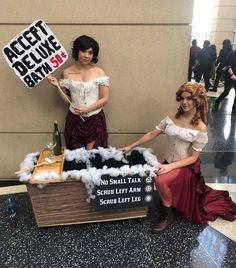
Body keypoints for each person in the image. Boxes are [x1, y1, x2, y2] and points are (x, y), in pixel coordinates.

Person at [120, 82, 236, 233]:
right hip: (169, 161)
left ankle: (168, 217)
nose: (184, 102)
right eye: (182, 98)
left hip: (186, 166)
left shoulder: (200, 127)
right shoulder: (171, 118)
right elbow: (152, 133)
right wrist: (130, 146)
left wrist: (169, 166)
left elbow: (193, 158)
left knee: (160, 179)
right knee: (154, 175)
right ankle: (166, 202)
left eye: (189, 99)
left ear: (197, 101)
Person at [48, 35, 109, 150]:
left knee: (93, 156)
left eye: (90, 52)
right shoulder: (66, 72)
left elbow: (105, 98)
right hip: (74, 120)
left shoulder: (99, 72)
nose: (86, 55)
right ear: (77, 51)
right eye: (83, 51)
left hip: (94, 118)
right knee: (76, 156)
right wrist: (57, 86)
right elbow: (69, 101)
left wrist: (88, 109)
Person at [214, 49, 236, 113]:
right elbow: (228, 65)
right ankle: (217, 101)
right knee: (226, 92)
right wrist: (232, 74)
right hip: (230, 76)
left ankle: (234, 109)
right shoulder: (231, 54)